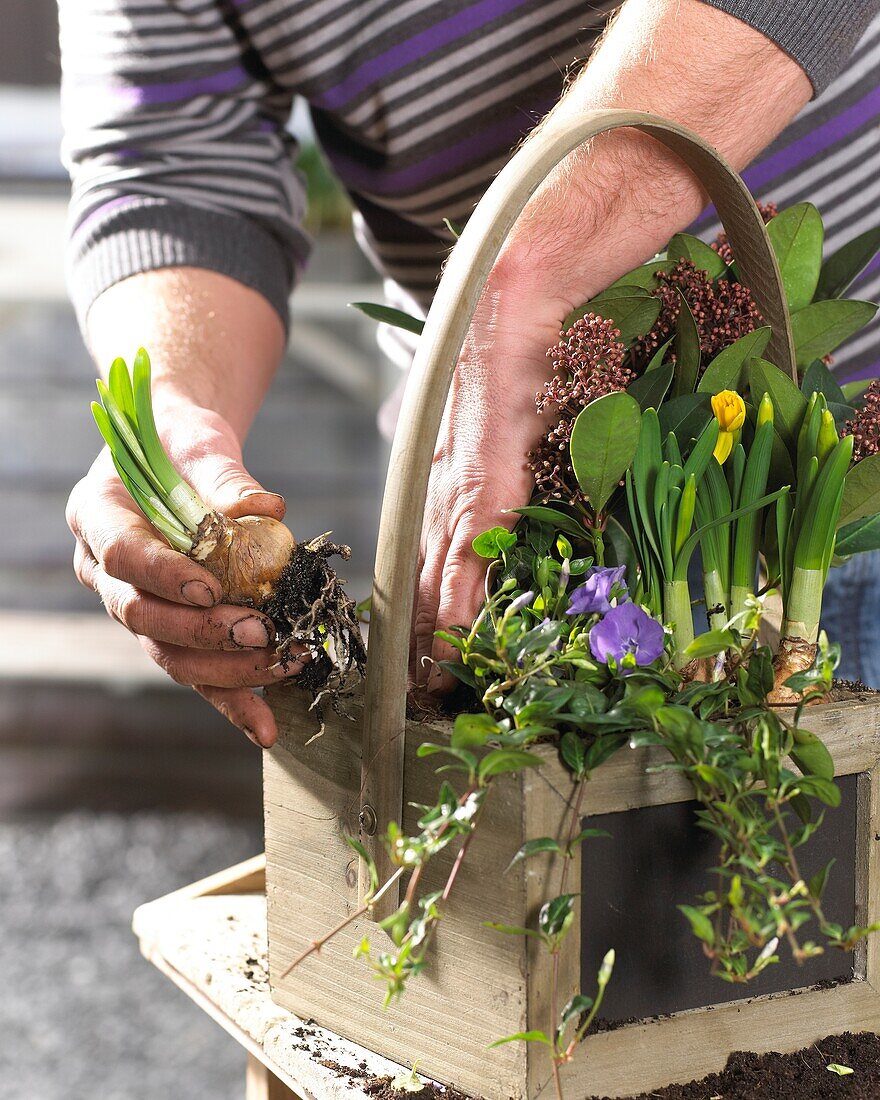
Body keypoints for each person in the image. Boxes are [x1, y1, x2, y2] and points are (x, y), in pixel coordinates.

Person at [61, 0, 880, 748]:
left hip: (831, 488)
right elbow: (174, 165)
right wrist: (175, 407)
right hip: (511, 510)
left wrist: (527, 272)